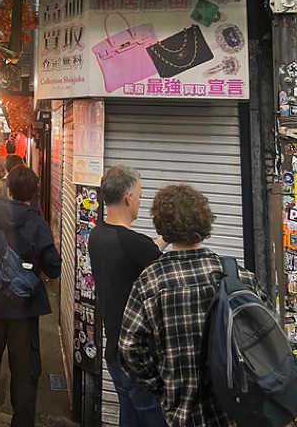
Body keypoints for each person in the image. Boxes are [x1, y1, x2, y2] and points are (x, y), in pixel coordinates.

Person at [119, 184, 266, 427]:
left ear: (162, 226)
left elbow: (128, 350)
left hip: (182, 413)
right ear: (204, 221)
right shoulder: (236, 275)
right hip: (235, 411)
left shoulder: (151, 282)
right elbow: (264, 329)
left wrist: (162, 388)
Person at [0, 165, 61, 427]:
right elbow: (53, 267)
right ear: (33, 193)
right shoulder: (37, 224)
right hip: (24, 311)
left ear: (7, 189)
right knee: (24, 375)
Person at [88, 165, 167, 427]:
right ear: (128, 198)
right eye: (141, 196)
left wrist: (162, 239)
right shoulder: (133, 244)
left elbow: (141, 252)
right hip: (139, 359)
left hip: (114, 353)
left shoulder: (97, 235)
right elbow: (148, 256)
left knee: (129, 418)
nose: (140, 202)